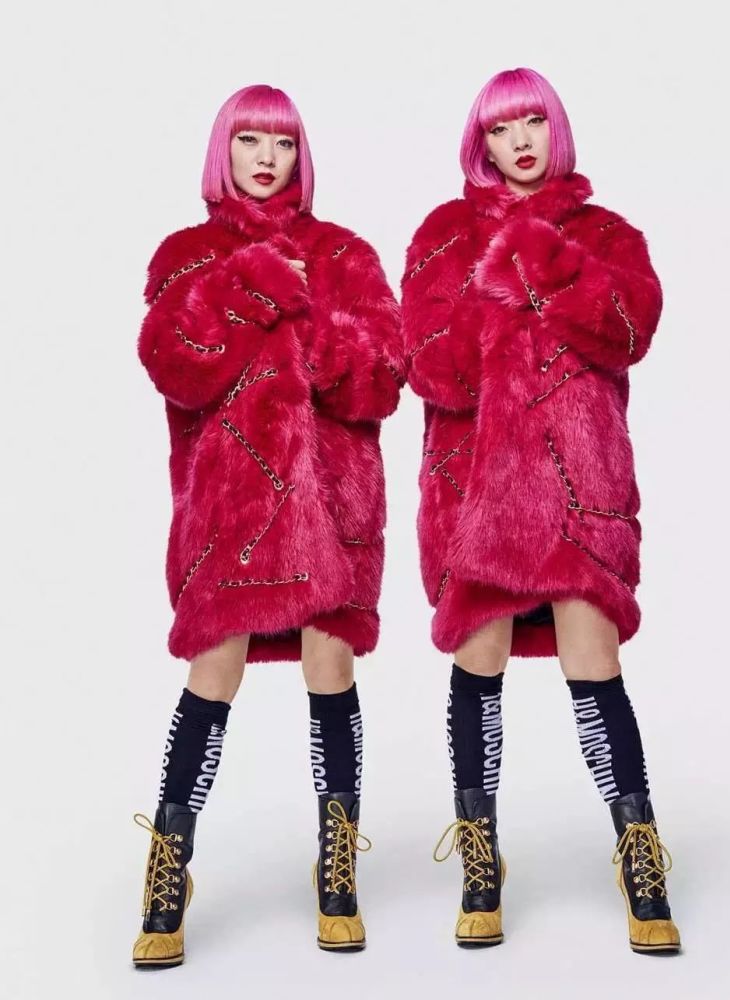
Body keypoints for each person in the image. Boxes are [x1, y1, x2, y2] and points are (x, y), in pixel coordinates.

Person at [401, 67, 680, 954]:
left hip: (577, 486)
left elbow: (629, 332)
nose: (519, 141)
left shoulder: (605, 235)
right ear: (479, 142)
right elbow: (431, 369)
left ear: (555, 128)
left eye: (532, 121)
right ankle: (480, 858)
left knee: (593, 662)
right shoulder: (443, 236)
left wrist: (541, 260)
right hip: (477, 493)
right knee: (477, 659)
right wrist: (500, 283)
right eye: (500, 127)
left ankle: (639, 854)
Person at [133, 83, 403, 967]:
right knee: (213, 675)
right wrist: (251, 288)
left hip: (332, 508)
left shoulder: (344, 254)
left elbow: (381, 381)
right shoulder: (186, 257)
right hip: (231, 512)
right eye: (249, 140)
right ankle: (168, 867)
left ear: (301, 156)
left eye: (282, 143)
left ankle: (337, 865)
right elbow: (174, 366)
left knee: (331, 667)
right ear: (225, 150)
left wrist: (305, 322)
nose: (266, 158)